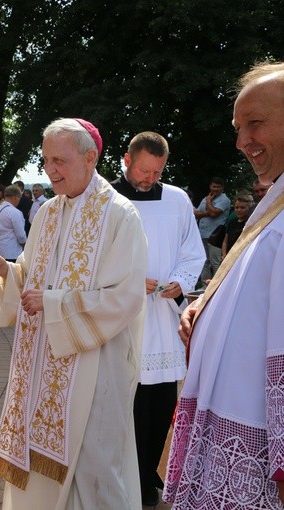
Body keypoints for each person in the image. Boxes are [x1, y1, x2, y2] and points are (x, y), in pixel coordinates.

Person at [0, 118, 147, 509]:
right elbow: (31, 273)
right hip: (42, 369)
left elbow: (124, 299)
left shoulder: (120, 216)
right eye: (46, 159)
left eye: (60, 161)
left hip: (95, 369)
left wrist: (53, 304)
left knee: (95, 473)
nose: (50, 170)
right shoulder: (49, 212)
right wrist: (7, 270)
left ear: (91, 158)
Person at [164, 61, 284, 510]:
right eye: (238, 127)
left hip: (255, 446)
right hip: (228, 426)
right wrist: (206, 304)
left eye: (255, 123)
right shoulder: (275, 198)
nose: (241, 142)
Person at [110, 131, 205, 506]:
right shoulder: (108, 199)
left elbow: (192, 251)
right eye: (144, 170)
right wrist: (130, 281)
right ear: (126, 160)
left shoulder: (178, 200)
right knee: (126, 404)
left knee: (161, 404)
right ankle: (124, 478)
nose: (150, 178)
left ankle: (148, 473)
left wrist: (180, 282)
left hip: (163, 321)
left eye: (157, 171)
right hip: (122, 320)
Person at [0, 184, 26, 314]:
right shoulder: (15, 212)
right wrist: (25, 242)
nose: (19, 201)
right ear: (15, 197)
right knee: (11, 280)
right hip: (12, 250)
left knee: (1, 279)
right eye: (19, 198)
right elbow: (20, 234)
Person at [194, 176, 231, 286]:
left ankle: (217, 286)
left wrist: (209, 202)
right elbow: (196, 213)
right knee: (203, 261)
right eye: (214, 186)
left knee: (215, 262)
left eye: (218, 187)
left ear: (222, 188)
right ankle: (205, 286)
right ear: (210, 186)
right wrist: (209, 212)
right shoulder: (205, 198)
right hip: (202, 234)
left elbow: (215, 213)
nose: (215, 189)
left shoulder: (224, 200)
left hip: (216, 236)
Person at [221, 192, 254, 258]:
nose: (239, 210)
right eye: (236, 207)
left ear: (249, 208)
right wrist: (224, 254)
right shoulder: (232, 223)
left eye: (242, 208)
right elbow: (225, 241)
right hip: (229, 256)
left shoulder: (250, 224)